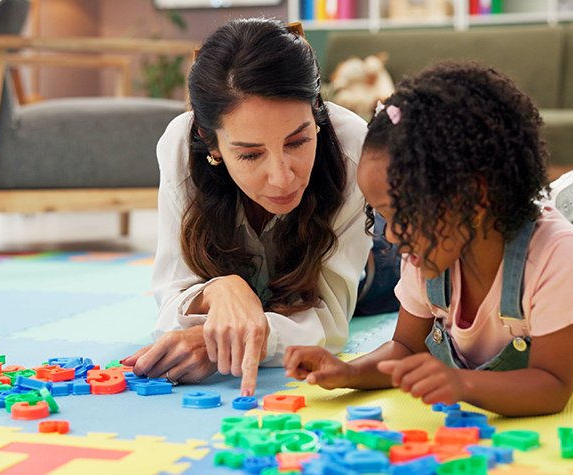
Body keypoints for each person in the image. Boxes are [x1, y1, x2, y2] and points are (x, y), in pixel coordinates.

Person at [283, 62, 573, 416]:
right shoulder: (426, 256)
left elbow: (551, 386)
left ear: (475, 195)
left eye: (401, 214)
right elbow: (406, 348)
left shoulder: (560, 257)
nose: (392, 235)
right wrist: (348, 371)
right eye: (383, 217)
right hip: (521, 255)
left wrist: (464, 385)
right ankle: (544, 203)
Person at [120, 18, 401, 397]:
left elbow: (329, 325)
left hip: (372, 264)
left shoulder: (351, 145)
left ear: (316, 112)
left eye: (298, 142)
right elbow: (171, 298)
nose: (283, 178)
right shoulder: (180, 148)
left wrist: (214, 342)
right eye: (251, 155)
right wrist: (221, 290)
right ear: (211, 142)